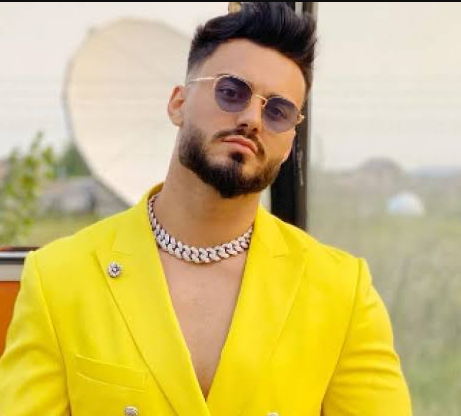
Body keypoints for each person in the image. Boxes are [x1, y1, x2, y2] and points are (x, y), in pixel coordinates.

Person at [0, 3, 412, 415]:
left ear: (289, 143)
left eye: (278, 111)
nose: (252, 119)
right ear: (178, 103)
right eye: (231, 92)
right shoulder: (59, 279)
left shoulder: (341, 291)